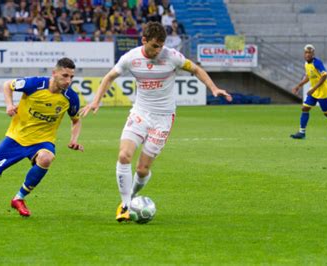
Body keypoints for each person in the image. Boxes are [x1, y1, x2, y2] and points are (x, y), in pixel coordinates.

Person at [80, 22, 231, 222]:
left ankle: (132, 196)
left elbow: (196, 69)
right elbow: (109, 77)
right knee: (124, 155)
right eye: (154, 46)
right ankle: (125, 205)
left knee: (142, 169)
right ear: (144, 41)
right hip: (140, 113)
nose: (158, 50)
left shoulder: (172, 57)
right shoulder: (131, 58)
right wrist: (97, 100)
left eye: (161, 46)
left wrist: (213, 88)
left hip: (163, 118)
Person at [0, 58, 84, 218]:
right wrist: (9, 104)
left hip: (42, 141)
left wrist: (74, 139)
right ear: (54, 73)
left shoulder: (71, 97)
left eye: (71, 77)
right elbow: (7, 85)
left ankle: (19, 198)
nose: (68, 81)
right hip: (16, 138)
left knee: (46, 158)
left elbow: (76, 120)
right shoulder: (34, 84)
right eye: (64, 75)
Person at [291, 44, 327, 140]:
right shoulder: (306, 64)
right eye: (306, 52)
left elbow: (324, 76)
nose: (307, 54)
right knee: (305, 108)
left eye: (309, 52)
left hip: (323, 92)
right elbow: (308, 77)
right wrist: (298, 86)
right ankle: (301, 132)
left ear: (313, 54)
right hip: (314, 92)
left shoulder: (317, 63)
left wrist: (313, 88)